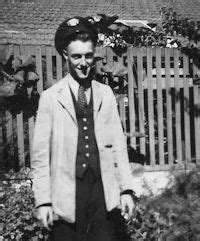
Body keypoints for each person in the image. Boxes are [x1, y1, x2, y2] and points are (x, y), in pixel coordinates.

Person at [31, 16, 136, 241]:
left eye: (88, 56)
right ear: (65, 55)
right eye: (77, 56)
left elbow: (118, 145)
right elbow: (40, 157)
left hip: (102, 190)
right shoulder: (50, 98)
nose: (83, 63)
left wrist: (126, 189)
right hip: (67, 191)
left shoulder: (105, 94)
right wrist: (43, 200)